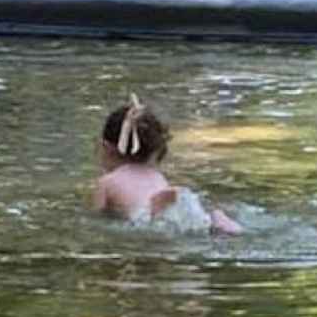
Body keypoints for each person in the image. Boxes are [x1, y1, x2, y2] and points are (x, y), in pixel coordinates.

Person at [92, 96, 241, 233]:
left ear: (106, 147)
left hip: (146, 216)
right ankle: (216, 218)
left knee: (154, 220)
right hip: (177, 204)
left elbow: (98, 216)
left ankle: (159, 207)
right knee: (193, 221)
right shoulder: (156, 175)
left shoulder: (107, 182)